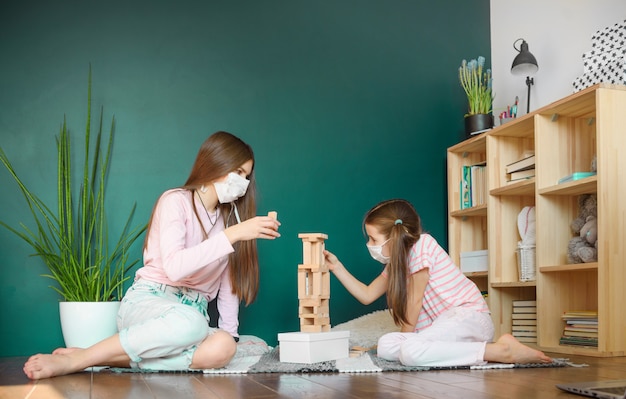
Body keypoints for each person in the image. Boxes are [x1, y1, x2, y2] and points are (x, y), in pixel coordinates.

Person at [23, 131, 281, 379]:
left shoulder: (228, 221)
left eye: (246, 175)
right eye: (237, 172)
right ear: (216, 162)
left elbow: (228, 284)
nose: (243, 182)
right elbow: (175, 268)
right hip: (151, 302)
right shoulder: (175, 201)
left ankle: (106, 357)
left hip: (192, 318)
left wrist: (230, 335)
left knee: (223, 347)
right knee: (191, 323)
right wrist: (232, 235)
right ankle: (79, 360)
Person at [323, 199, 552, 367]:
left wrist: (407, 338)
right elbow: (366, 295)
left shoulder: (423, 244)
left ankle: (500, 351)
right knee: (385, 345)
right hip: (442, 329)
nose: (369, 244)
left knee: (410, 350)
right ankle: (476, 351)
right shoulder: (396, 264)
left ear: (395, 236)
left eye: (373, 239)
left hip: (467, 318)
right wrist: (337, 267)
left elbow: (415, 300)